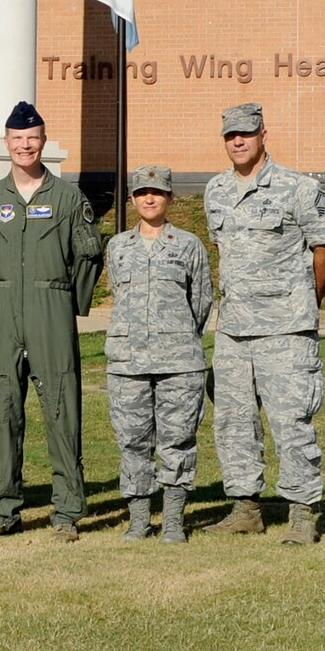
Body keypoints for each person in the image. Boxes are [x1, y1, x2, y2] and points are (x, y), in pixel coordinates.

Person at [203, 102, 325, 545]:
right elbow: (224, 252)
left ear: (264, 134)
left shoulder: (298, 188)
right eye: (230, 135)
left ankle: (302, 513)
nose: (237, 141)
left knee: (291, 420)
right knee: (234, 422)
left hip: (286, 330)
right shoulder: (215, 191)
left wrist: (305, 302)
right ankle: (246, 508)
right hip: (234, 330)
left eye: (245, 133)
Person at [0, 101, 104, 543]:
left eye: (33, 139)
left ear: (43, 142)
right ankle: (2, 510)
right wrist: (7, 294)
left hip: (52, 310)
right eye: (17, 139)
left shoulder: (67, 198)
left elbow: (88, 255)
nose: (25, 146)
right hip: (4, 312)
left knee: (62, 409)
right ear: (6, 143)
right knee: (1, 410)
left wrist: (67, 301)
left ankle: (66, 511)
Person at [105, 166, 212, 544]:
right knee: (132, 440)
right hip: (128, 363)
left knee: (178, 439)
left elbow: (200, 301)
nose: (149, 199)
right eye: (141, 193)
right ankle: (138, 519)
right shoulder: (118, 247)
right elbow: (118, 292)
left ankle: (172, 521)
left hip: (179, 362)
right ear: (132, 199)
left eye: (157, 192)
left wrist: (176, 336)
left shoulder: (188, 245)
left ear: (169, 197)